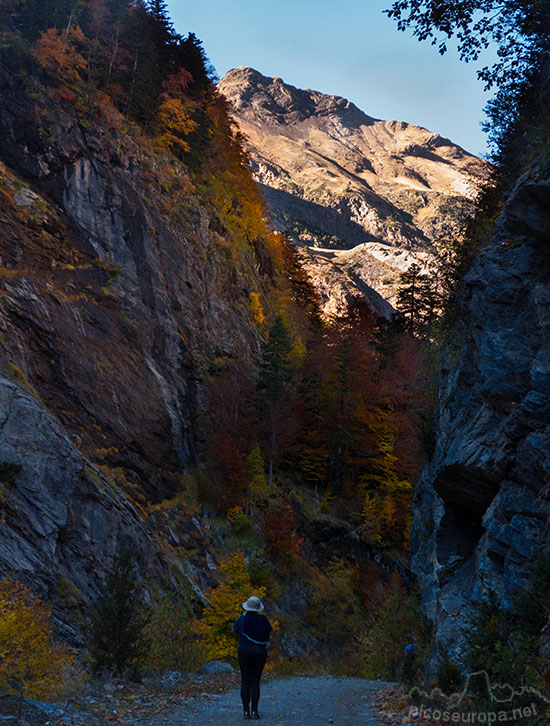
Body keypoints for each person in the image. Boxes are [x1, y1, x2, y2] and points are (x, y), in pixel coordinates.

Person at [232, 595, 273, 720]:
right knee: (255, 681)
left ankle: (245, 712)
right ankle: (255, 712)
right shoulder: (264, 620)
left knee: (245, 681)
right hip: (260, 652)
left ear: (247, 607)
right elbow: (269, 633)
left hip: (244, 651)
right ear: (258, 609)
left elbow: (234, 629)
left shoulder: (242, 619)